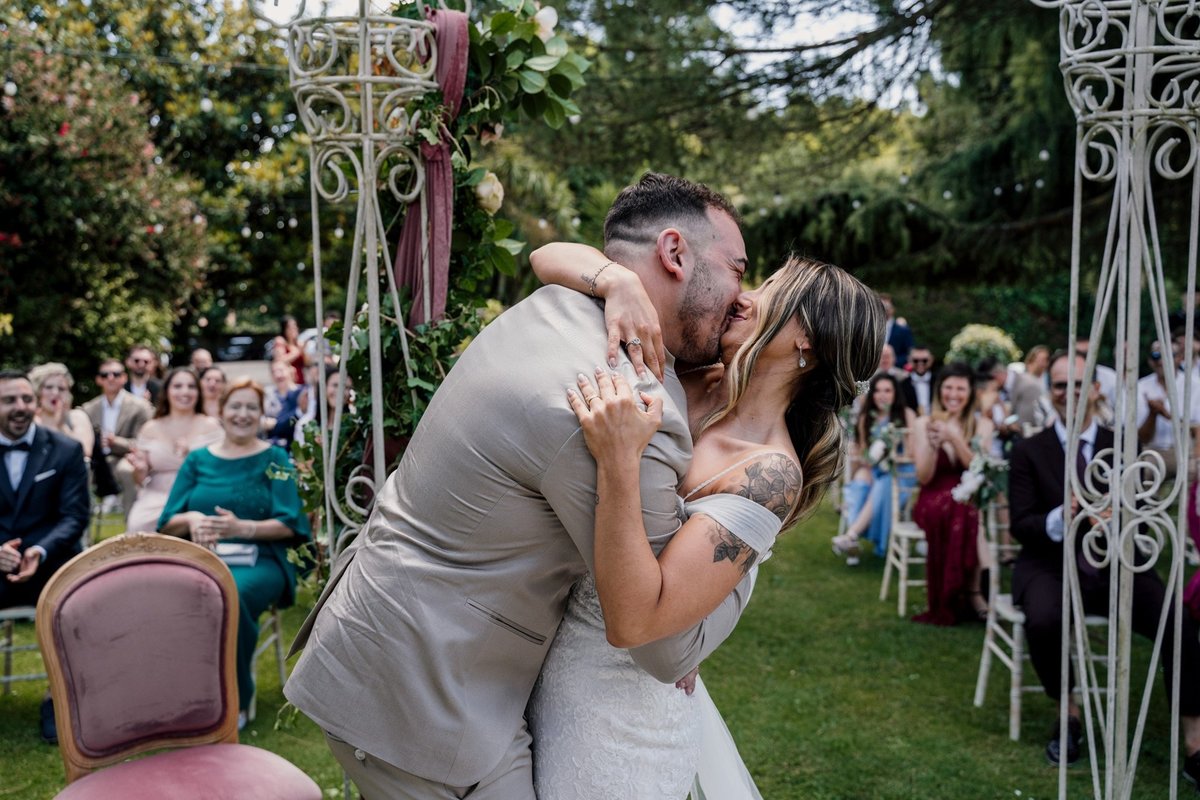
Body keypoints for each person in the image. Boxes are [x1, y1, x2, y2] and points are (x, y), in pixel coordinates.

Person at [285, 173, 762, 797]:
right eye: (737, 268)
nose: (742, 294)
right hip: (422, 693)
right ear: (674, 254)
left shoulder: (561, 305)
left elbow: (553, 257)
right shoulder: (622, 401)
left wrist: (614, 280)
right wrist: (748, 544)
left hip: (392, 634)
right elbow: (664, 644)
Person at [529, 247, 884, 799]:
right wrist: (618, 281)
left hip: (621, 726)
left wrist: (620, 463)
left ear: (806, 339)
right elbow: (545, 256)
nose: (746, 295)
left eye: (771, 290)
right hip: (545, 668)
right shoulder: (692, 372)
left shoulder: (769, 474)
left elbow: (633, 624)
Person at [1008, 351, 1200, 780]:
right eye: (1060, 385)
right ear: (1051, 391)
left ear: (1095, 389)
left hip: (1117, 564)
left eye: (1078, 384)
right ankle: (1068, 714)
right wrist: (1065, 514)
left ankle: (1194, 741)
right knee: (1042, 618)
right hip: (1051, 563)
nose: (1069, 393)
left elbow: (1149, 508)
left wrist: (1123, 514)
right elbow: (1021, 524)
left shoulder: (1124, 445)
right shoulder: (1028, 450)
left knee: (1179, 623)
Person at [158, 378, 310, 727]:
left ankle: (234, 699)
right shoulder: (198, 460)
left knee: (231, 593)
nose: (243, 414)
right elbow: (167, 523)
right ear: (221, 411)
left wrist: (243, 528)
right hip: (203, 558)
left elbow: (292, 523)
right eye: (235, 406)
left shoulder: (275, 458)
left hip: (263, 560)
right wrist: (193, 518)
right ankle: (177, 691)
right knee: (164, 592)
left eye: (251, 408)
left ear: (261, 415)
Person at [0, 369, 89, 743]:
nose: (20, 408)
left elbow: (75, 517)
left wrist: (38, 550)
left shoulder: (65, 449)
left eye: (26, 399)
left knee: (79, 604)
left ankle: (59, 699)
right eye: (9, 401)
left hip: (51, 563)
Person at [911, 361, 994, 625]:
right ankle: (974, 591)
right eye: (948, 388)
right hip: (932, 496)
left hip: (967, 495)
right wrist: (934, 445)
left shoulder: (982, 426)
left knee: (965, 507)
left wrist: (954, 438)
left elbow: (979, 468)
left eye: (960, 388)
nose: (953, 394)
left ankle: (965, 590)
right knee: (962, 508)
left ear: (970, 392)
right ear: (940, 390)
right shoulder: (923, 422)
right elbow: (923, 477)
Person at [831, 372, 917, 565]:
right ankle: (852, 544)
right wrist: (865, 462)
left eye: (888, 390)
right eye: (878, 391)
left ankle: (851, 535)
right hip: (874, 469)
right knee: (861, 482)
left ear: (895, 393)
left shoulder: (907, 415)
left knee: (884, 481)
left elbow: (911, 453)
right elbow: (862, 454)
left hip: (900, 471)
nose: (882, 395)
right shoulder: (865, 418)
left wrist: (889, 455)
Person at [124, 367, 222, 533]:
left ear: (198, 392)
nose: (185, 392)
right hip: (158, 494)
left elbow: (221, 468)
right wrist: (139, 470)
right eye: (177, 386)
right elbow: (140, 479)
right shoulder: (150, 427)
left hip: (198, 492)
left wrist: (191, 455)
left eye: (191, 387)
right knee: (137, 524)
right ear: (167, 391)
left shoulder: (211, 426)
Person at [81, 358, 153, 516]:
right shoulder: (88, 409)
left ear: (124, 378)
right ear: (99, 380)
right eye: (105, 375)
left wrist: (116, 442)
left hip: (125, 458)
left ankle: (132, 528)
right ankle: (82, 532)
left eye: (116, 374)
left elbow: (145, 442)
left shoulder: (140, 407)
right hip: (96, 461)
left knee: (128, 471)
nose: (111, 378)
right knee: (77, 472)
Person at [29, 362, 93, 461]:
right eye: (49, 387)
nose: (55, 393)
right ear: (38, 391)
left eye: (61, 389)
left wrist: (61, 426)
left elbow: (85, 451)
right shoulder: (30, 418)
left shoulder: (77, 416)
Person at [881, 293, 914, 369]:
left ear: (892, 309)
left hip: (896, 371)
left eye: (886, 306)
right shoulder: (869, 330)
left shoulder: (903, 330)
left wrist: (892, 361)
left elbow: (909, 353)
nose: (884, 309)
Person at [901, 344, 935, 415]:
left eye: (924, 360)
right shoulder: (902, 385)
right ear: (909, 360)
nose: (920, 363)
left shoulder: (939, 382)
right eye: (916, 360)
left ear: (931, 360)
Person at [272, 315, 306, 385]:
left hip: (301, 381)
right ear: (284, 329)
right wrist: (297, 352)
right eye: (290, 327)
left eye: (295, 326)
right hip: (288, 383)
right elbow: (280, 360)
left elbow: (307, 363)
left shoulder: (298, 343)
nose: (294, 329)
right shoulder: (280, 341)